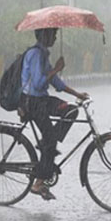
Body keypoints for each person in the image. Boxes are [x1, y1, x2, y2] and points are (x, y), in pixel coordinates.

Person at [19, 28, 88, 200]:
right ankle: (38, 182)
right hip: (32, 102)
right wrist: (56, 68)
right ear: (44, 35)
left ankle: (46, 145)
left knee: (71, 110)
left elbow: (56, 83)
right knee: (50, 141)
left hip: (42, 100)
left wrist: (77, 94)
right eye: (53, 35)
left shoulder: (43, 54)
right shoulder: (35, 54)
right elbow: (37, 83)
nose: (56, 38)